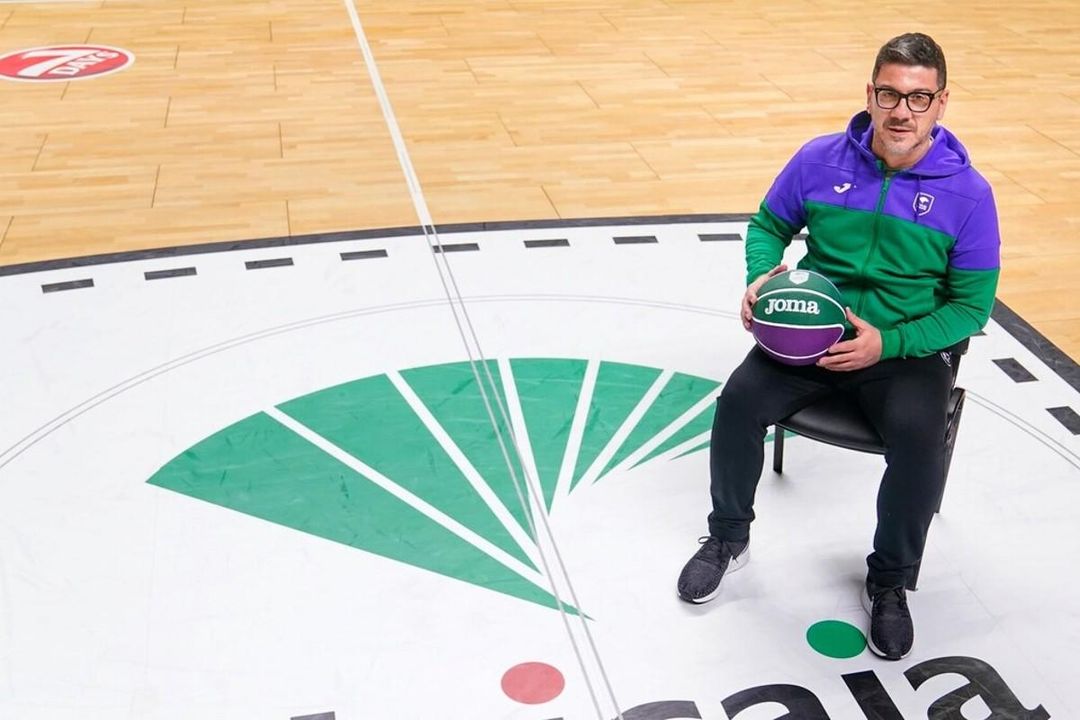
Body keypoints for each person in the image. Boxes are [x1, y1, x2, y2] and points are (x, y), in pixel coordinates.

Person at [676, 32, 1000, 660]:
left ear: (941, 102)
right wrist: (763, 276)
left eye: (919, 97)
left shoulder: (970, 196)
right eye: (890, 95)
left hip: (903, 351)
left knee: (919, 440)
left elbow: (971, 308)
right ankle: (728, 538)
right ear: (870, 95)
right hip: (813, 334)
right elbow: (768, 226)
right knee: (738, 402)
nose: (902, 111)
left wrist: (890, 342)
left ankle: (890, 581)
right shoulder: (818, 160)